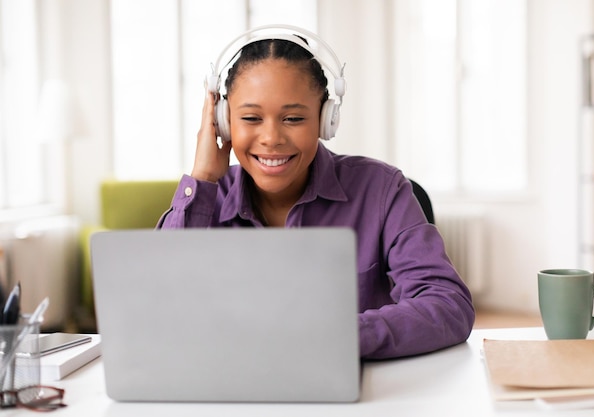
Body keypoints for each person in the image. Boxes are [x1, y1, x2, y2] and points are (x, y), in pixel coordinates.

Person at [157, 26, 475, 359]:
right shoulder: (208, 199)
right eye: (250, 117)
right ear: (223, 122)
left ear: (326, 120)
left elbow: (448, 305)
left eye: (293, 118)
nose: (271, 137)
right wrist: (203, 176)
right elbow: (157, 306)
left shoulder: (382, 189)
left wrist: (335, 336)